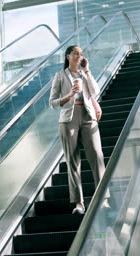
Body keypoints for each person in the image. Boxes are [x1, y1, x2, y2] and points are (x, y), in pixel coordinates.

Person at [49, 45, 109, 214]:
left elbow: (95, 91)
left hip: (88, 116)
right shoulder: (60, 76)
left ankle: (102, 199)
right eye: (76, 53)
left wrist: (88, 71)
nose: (79, 56)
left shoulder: (84, 74)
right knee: (73, 161)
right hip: (69, 120)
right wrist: (69, 95)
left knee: (97, 156)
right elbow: (52, 103)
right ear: (68, 56)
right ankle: (79, 203)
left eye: (81, 54)